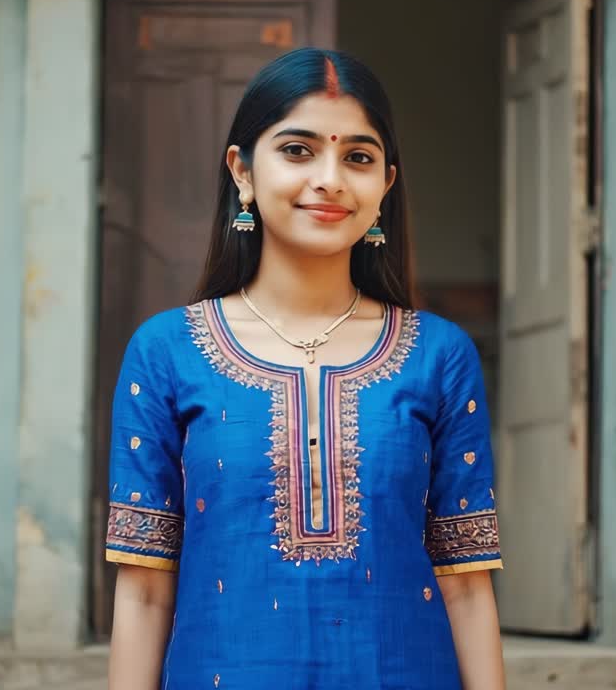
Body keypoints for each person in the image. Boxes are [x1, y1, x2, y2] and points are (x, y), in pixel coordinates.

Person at [104, 47, 505, 689]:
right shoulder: (166, 352)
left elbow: (466, 583)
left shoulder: (439, 355)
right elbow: (145, 591)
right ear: (242, 170)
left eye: (358, 157)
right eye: (298, 150)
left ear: (386, 185)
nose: (330, 179)